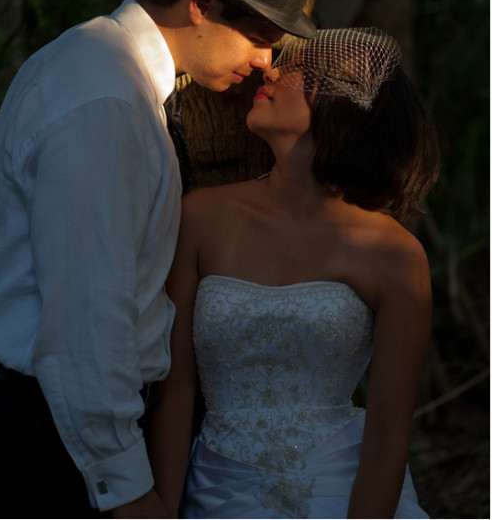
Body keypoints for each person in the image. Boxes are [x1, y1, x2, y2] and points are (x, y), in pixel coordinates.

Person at [0, 0, 318, 518]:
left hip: (59, 427)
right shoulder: (107, 100)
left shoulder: (101, 67)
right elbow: (87, 320)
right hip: (52, 441)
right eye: (261, 37)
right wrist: (128, 491)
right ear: (202, 4)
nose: (266, 62)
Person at [148, 28, 439, 518]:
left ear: (346, 110)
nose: (272, 70)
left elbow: (390, 429)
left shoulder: (396, 255)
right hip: (218, 492)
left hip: (342, 492)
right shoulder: (199, 217)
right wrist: (160, 510)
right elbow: (174, 389)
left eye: (304, 74)